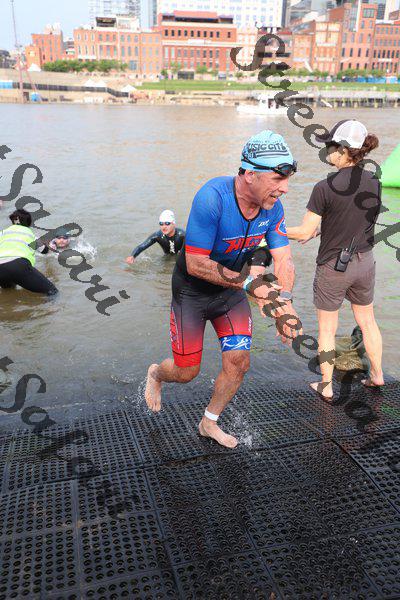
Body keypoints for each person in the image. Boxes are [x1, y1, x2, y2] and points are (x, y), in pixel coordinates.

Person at [145, 130, 302, 449]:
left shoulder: (273, 207)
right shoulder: (213, 197)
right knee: (187, 371)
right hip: (191, 293)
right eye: (277, 179)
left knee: (239, 362)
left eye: (287, 180)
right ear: (249, 174)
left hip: (230, 292)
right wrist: (252, 285)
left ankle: (209, 422)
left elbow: (284, 259)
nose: (285, 188)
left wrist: (284, 303)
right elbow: (195, 263)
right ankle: (156, 375)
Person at [286, 119, 383, 399]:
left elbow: (303, 231)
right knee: (368, 322)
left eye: (330, 145)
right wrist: (323, 230)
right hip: (365, 262)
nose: (327, 151)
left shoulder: (324, 187)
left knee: (327, 329)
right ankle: (377, 375)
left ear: (342, 149)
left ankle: (326, 385)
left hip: (334, 267)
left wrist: (271, 232)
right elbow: (358, 220)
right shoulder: (374, 182)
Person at [0, 209, 58, 295]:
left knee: (9, 291)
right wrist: (50, 246)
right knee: (52, 291)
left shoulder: (2, 233)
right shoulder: (29, 233)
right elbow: (44, 250)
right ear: (28, 223)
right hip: (18, 266)